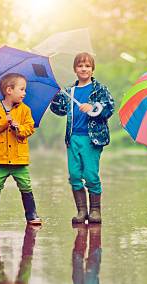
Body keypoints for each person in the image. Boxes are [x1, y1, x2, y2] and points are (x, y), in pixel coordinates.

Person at [50, 53, 115, 224]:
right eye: (80, 66)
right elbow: (58, 110)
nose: (84, 69)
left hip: (92, 139)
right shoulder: (70, 91)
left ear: (92, 69)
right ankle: (81, 211)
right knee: (74, 174)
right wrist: (56, 95)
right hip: (73, 138)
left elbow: (109, 107)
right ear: (75, 69)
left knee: (90, 174)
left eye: (87, 66)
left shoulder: (99, 89)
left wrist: (94, 107)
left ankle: (95, 210)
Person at [0, 73, 42, 226]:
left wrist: (18, 127)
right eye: (21, 89)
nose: (24, 93)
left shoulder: (25, 110)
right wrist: (4, 121)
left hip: (18, 159)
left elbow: (29, 128)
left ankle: (31, 214)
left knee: (25, 185)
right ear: (9, 90)